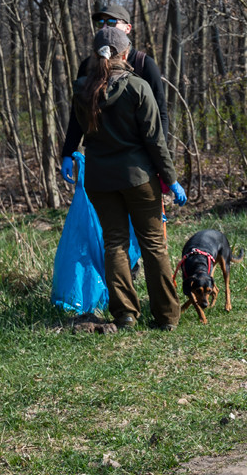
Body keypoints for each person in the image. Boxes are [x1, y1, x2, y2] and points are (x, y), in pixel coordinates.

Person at [68, 26, 185, 330]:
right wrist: (171, 179)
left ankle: (126, 316)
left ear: (96, 56)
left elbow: (77, 131)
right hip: (139, 179)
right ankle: (167, 317)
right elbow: (154, 141)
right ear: (124, 54)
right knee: (153, 245)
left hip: (99, 180)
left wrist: (68, 153)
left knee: (115, 243)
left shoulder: (82, 90)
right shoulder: (137, 87)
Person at [61, 4, 171, 166]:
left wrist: (160, 162)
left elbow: (160, 114)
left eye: (111, 22)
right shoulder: (87, 66)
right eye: (100, 23)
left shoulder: (144, 64)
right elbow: (78, 114)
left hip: (138, 163)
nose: (104, 27)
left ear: (128, 28)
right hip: (99, 162)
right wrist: (68, 153)